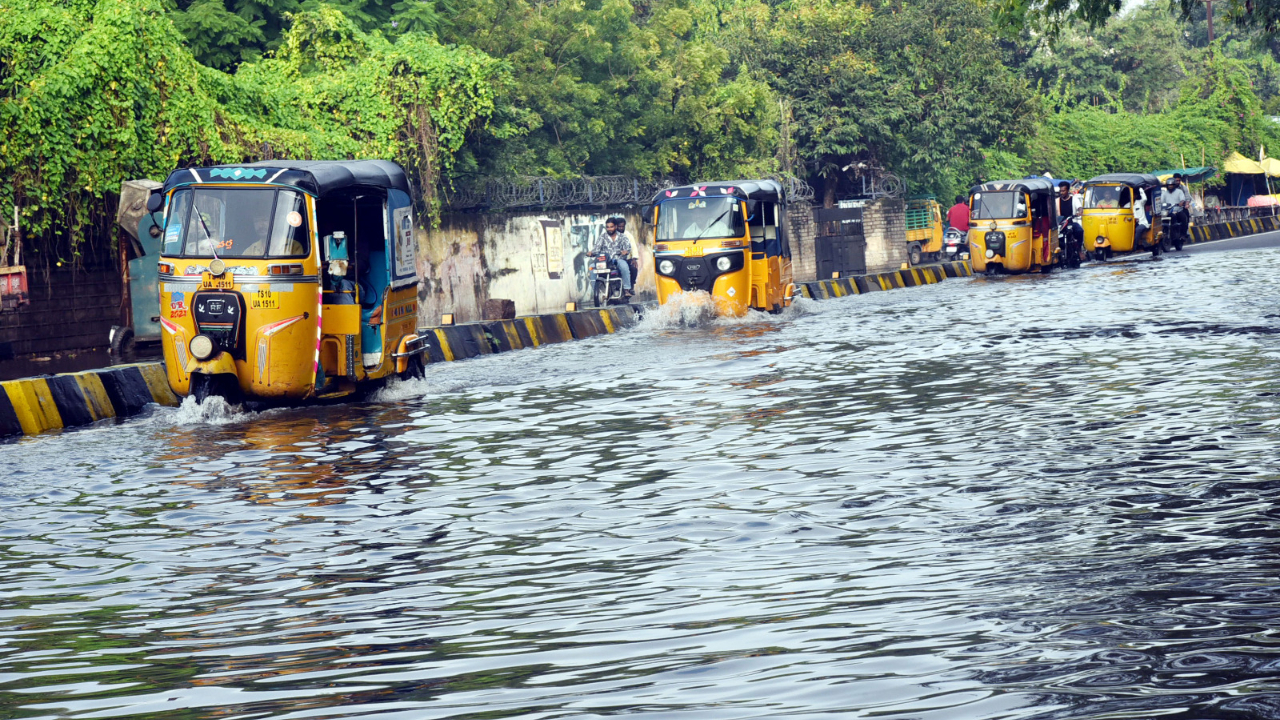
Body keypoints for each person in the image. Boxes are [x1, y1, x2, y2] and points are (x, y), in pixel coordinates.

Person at [592, 217, 633, 298]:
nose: (609, 229)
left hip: (618, 259)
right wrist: (591, 253)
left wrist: (626, 251)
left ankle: (627, 289)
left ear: (616, 227)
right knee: (592, 267)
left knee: (624, 266)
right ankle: (596, 291)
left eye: (611, 227)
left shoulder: (622, 237)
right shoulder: (602, 237)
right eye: (607, 227)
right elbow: (596, 249)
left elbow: (628, 248)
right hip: (605, 260)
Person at [1161, 174, 1191, 243]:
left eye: (1171, 185)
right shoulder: (1164, 193)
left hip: (1178, 209)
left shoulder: (1181, 190)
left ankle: (1183, 234)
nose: (1170, 186)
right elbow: (1161, 201)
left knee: (1184, 217)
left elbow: (1185, 198)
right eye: (1169, 185)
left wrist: (1183, 203)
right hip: (1168, 211)